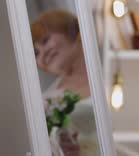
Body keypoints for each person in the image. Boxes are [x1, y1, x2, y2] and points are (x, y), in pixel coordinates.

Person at [31, 9, 97, 156]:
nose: (43, 53)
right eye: (36, 53)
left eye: (45, 40)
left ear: (69, 31)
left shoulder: (109, 62)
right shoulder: (46, 101)